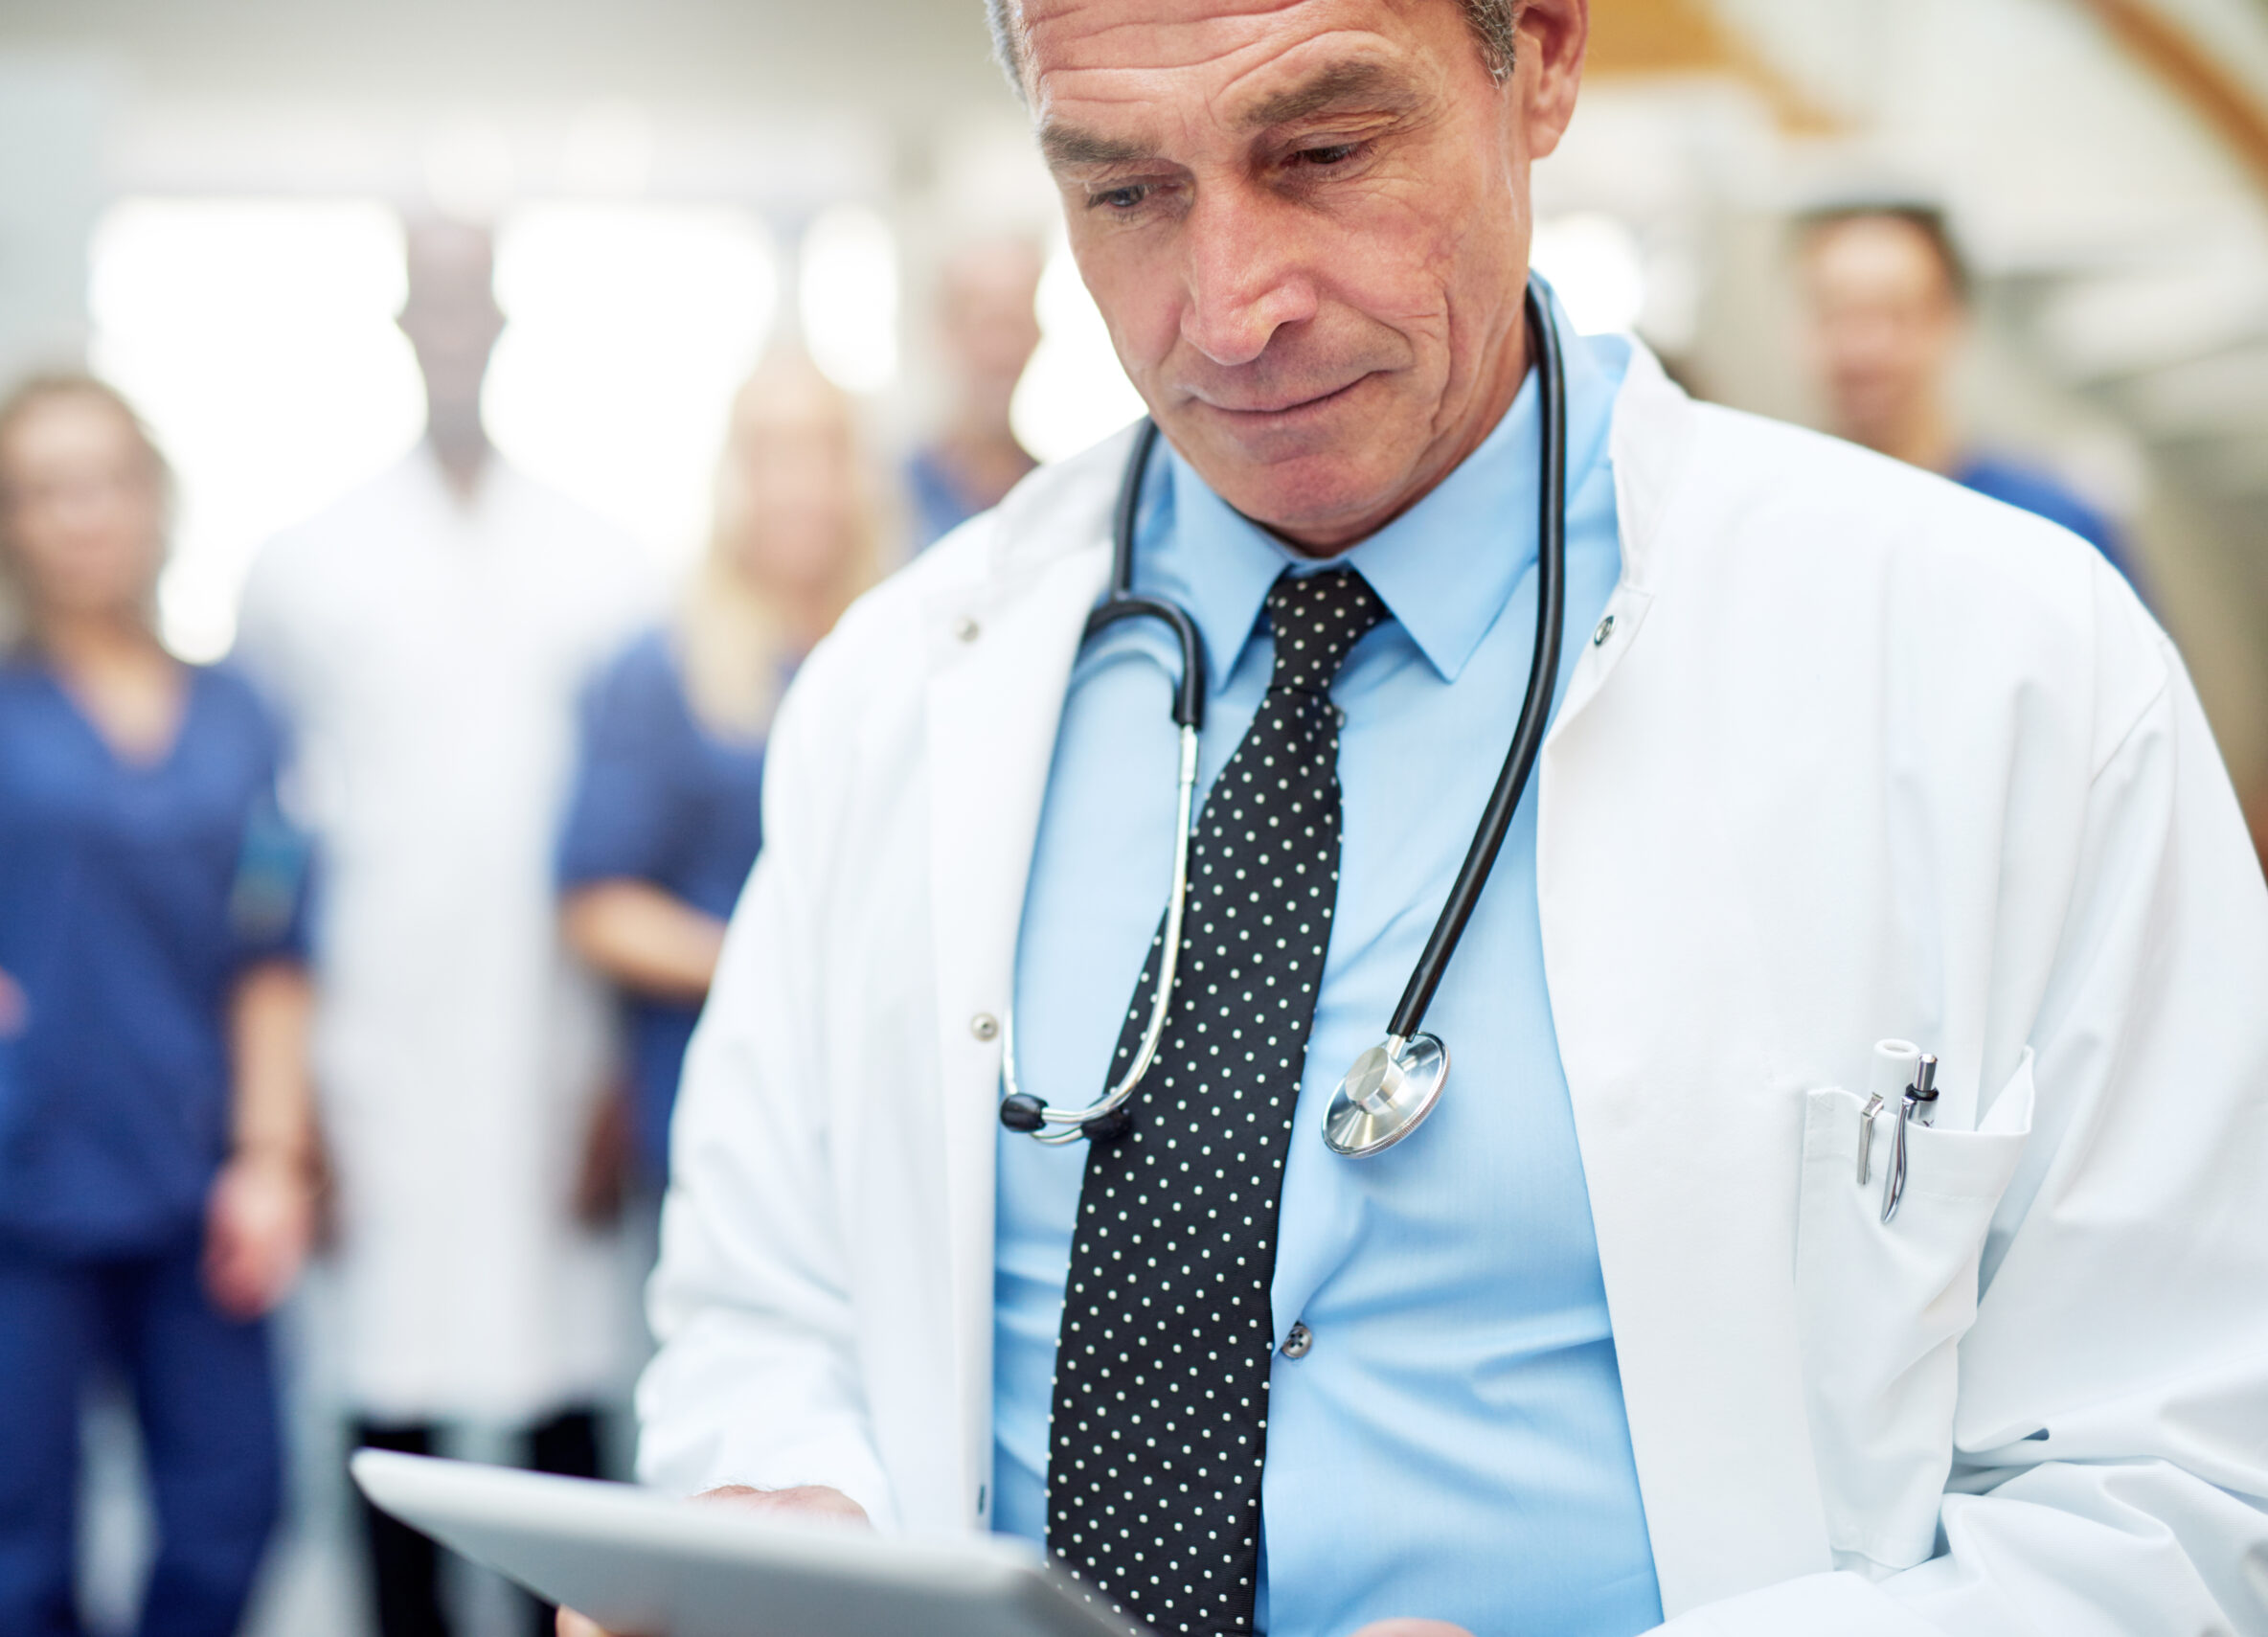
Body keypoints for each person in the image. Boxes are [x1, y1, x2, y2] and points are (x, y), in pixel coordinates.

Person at [578, 2, 2268, 1634]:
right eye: (1122, 191)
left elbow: (2181, 1499)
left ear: (1539, 55)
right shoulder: (902, 689)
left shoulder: (2005, 668)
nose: (1228, 309)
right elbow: (762, 1306)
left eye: (1320, 149)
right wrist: (793, 1517)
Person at [0, 375, 316, 1637]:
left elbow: (270, 943)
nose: (81, 516)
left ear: (154, 497)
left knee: (232, 1505)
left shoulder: (240, 711)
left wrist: (270, 1156)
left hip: (191, 1163)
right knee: (26, 1540)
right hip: (8, 1164)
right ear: (2, 522)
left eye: (104, 481)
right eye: (43, 491)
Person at [236, 218, 647, 1637]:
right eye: (435, 309)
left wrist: (616, 1088)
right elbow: (271, 833)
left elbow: (627, 839)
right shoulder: (307, 563)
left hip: (558, 1034)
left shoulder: (607, 564)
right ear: (403, 327)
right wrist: (298, 1121)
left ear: (508, 328)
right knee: (391, 1396)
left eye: (480, 309)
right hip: (379, 1044)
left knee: (566, 1390)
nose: (457, 336)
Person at [558, 351, 893, 1193]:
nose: (800, 485)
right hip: (719, 1109)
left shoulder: (905, 651)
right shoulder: (662, 668)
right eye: (771, 454)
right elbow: (595, 905)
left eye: (824, 451)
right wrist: (772, 963)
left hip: (880, 1106)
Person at [1799, 203, 2144, 592]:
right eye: (1835, 313)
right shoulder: (1785, 530)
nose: (1863, 347)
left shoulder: (2052, 530)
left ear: (1951, 322)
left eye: (1896, 314)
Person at [904, 236, 1046, 552]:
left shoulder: (1055, 497)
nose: (1001, 351)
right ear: (943, 334)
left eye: (1015, 325)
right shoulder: (889, 497)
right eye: (985, 324)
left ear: (1037, 336)